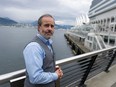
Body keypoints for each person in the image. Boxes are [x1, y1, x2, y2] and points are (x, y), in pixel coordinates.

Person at [23, 14, 63, 87]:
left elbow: (46, 63)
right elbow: (35, 77)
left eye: (52, 26)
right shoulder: (34, 47)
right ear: (39, 28)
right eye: (46, 25)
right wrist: (55, 75)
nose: (50, 28)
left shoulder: (48, 43)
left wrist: (53, 68)